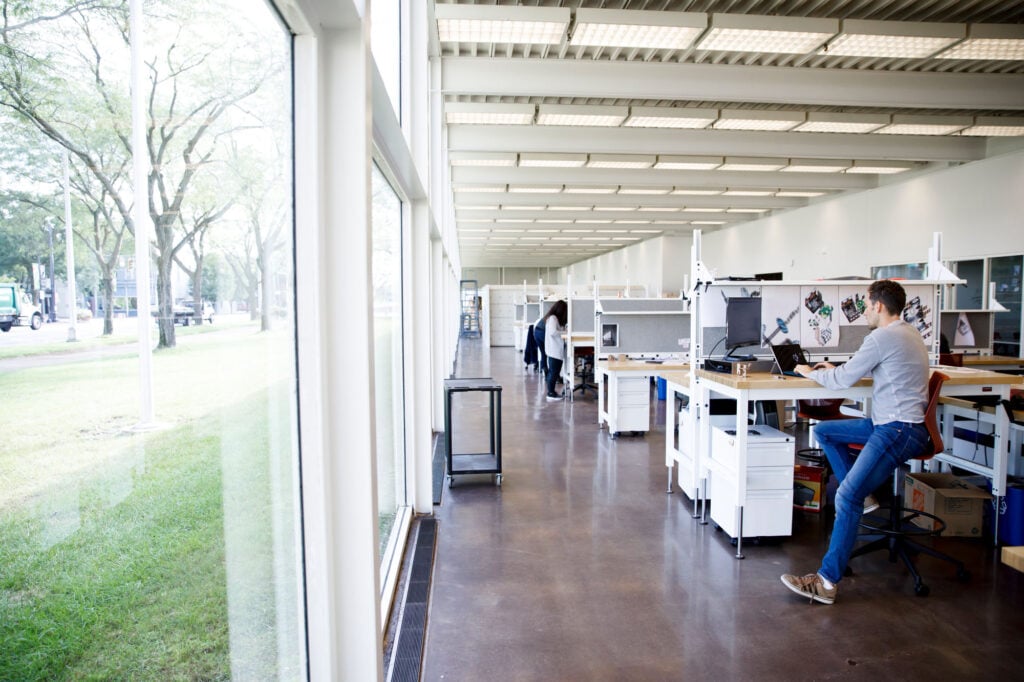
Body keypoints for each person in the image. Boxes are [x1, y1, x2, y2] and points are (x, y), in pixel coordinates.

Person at [781, 280, 930, 605]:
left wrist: (808, 372)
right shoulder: (909, 332)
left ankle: (826, 582)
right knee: (825, 432)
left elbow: (841, 382)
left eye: (865, 303)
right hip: (892, 424)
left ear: (878, 305)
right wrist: (838, 368)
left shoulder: (882, 336)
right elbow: (863, 371)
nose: (864, 310)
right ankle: (863, 498)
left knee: (846, 496)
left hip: (897, 430)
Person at [542, 300, 568, 401]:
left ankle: (551, 391)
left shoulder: (554, 318)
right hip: (554, 350)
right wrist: (564, 332)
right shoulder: (553, 318)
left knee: (554, 371)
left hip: (554, 349)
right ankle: (550, 393)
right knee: (554, 372)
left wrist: (563, 330)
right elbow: (553, 332)